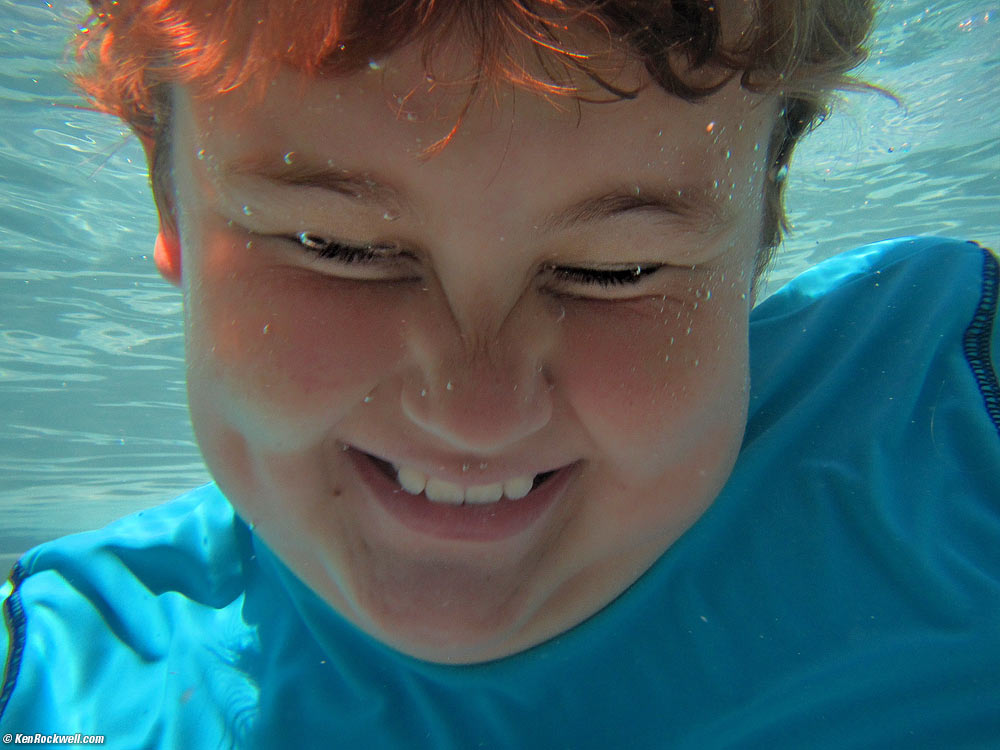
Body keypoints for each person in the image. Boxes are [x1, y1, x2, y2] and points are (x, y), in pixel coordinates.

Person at [1, 0, 997, 746]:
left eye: (614, 269)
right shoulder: (54, 688)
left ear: (757, 234)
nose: (473, 414)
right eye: (334, 246)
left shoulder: (956, 425)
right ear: (169, 206)